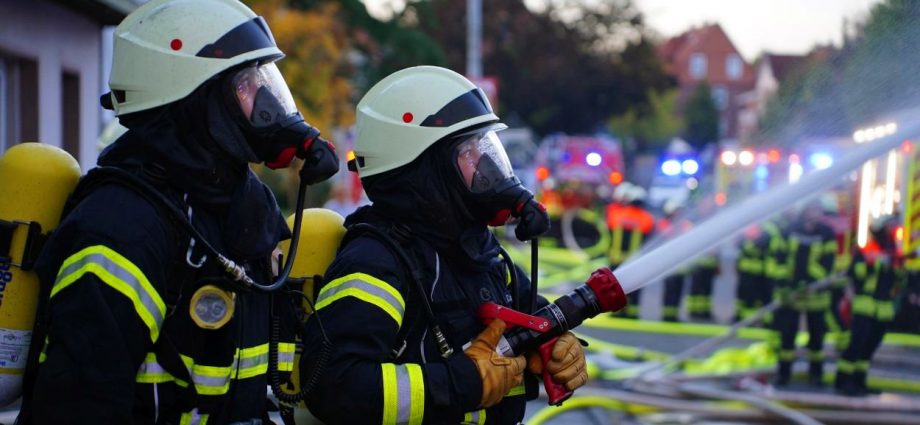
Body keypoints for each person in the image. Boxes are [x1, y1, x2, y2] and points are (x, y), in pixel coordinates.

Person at [16, 0, 339, 423]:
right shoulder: (121, 227)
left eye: (264, 81)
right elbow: (80, 405)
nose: (267, 104)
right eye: (246, 85)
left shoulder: (240, 208)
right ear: (195, 99)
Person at [299, 66, 587, 424]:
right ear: (424, 172)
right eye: (468, 151)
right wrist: (461, 382)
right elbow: (336, 387)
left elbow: (532, 318)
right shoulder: (376, 264)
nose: (487, 167)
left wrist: (553, 345)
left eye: (485, 148)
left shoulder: (482, 254)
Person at [835, 216, 906, 396]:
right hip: (865, 304)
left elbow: (900, 279)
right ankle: (843, 381)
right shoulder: (867, 249)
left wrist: (898, 266)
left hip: (884, 307)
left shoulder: (896, 253)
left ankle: (859, 381)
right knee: (857, 343)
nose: (894, 231)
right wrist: (873, 263)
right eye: (890, 227)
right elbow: (856, 274)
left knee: (870, 347)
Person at [771, 203, 837, 387]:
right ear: (805, 210)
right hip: (792, 296)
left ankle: (816, 375)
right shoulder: (789, 231)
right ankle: (783, 374)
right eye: (813, 209)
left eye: (819, 210)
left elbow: (828, 263)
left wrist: (810, 282)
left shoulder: (827, 233)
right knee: (787, 338)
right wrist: (785, 284)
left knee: (817, 339)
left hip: (816, 297)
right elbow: (780, 258)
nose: (816, 213)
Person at [607, 185, 654, 319]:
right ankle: (632, 312)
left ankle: (617, 311)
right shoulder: (647, 219)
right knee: (634, 287)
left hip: (616, 259)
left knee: (616, 288)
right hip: (636, 261)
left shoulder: (616, 214)